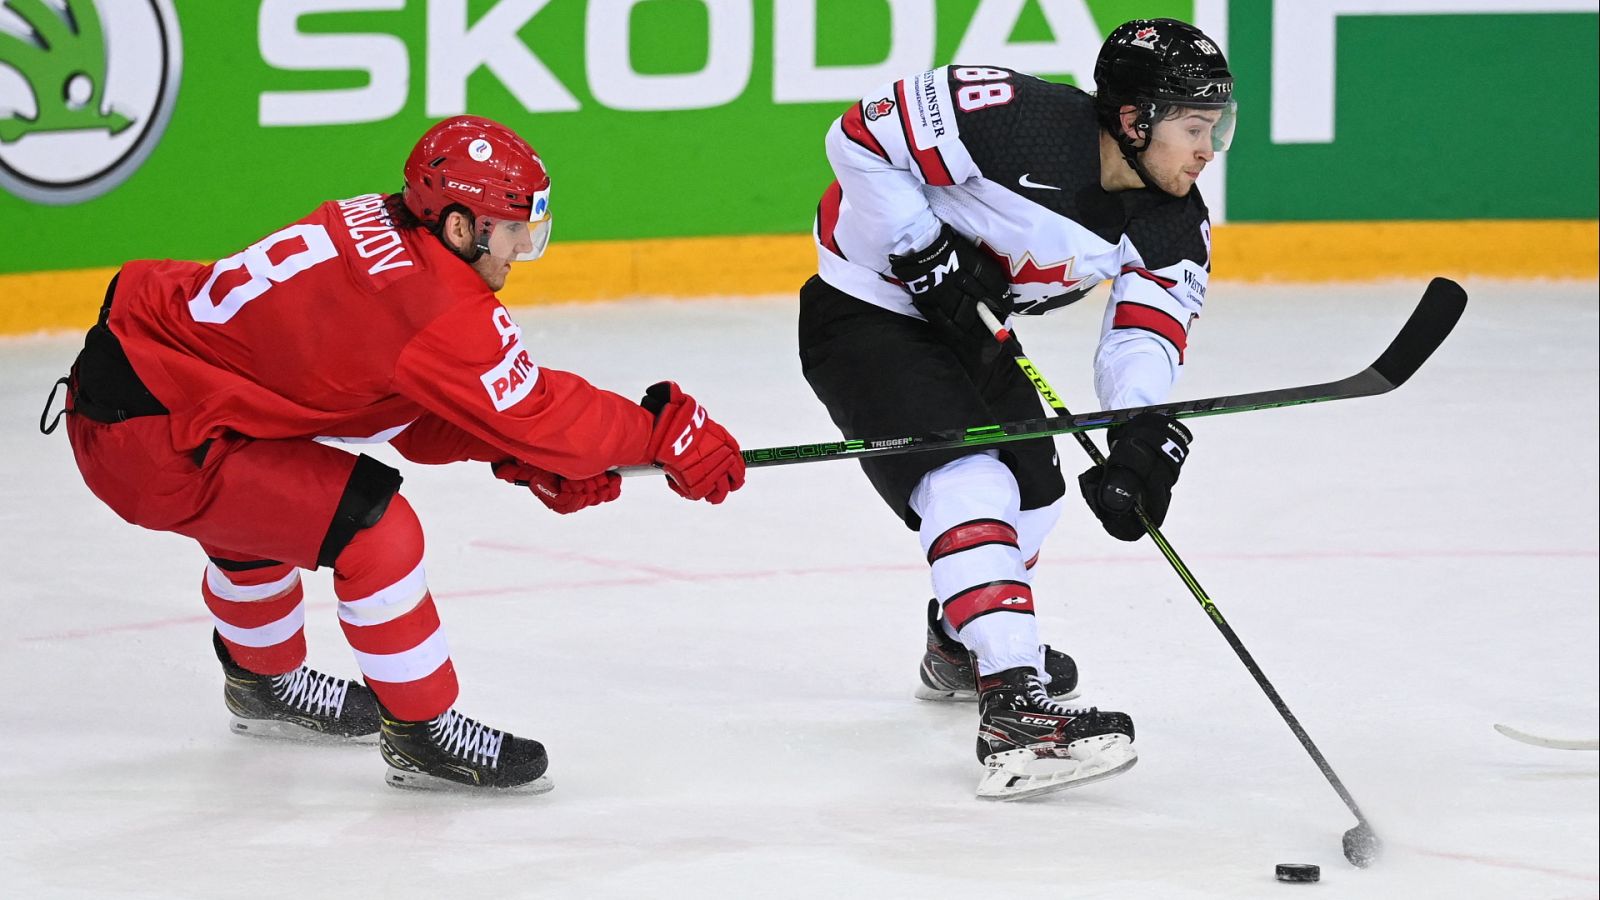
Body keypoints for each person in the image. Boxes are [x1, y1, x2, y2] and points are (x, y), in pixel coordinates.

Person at [43, 115, 746, 793]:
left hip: (164, 390)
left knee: (271, 508)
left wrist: (517, 454)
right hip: (153, 436)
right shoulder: (434, 300)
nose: (517, 252)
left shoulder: (386, 229)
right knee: (378, 530)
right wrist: (663, 433)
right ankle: (421, 733)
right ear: (460, 224)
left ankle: (261, 683)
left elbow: (401, 412)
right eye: (509, 233)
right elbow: (540, 411)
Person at [798, 19, 1233, 799]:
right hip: (865, 313)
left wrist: (1136, 432)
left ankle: (959, 645)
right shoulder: (1013, 118)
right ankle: (1012, 708)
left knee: (1036, 495)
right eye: (1195, 128)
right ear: (1134, 121)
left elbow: (1145, 331)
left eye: (1216, 127)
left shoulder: (1173, 220)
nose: (1209, 150)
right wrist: (922, 246)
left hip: (973, 333)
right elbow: (858, 135)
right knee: (970, 482)